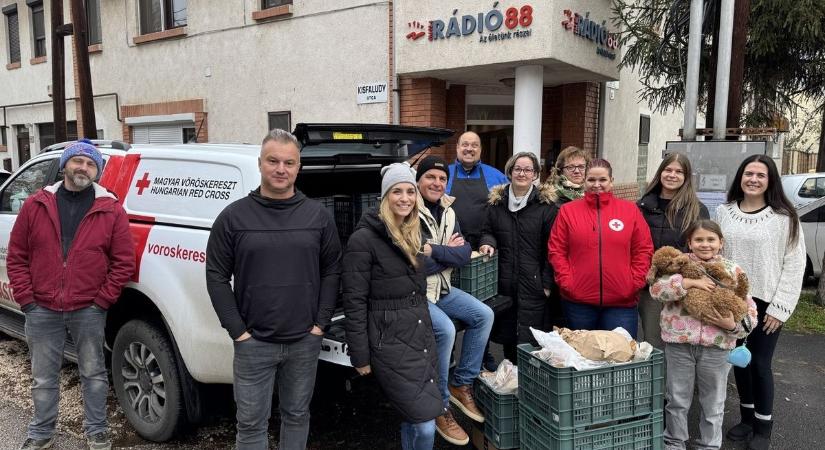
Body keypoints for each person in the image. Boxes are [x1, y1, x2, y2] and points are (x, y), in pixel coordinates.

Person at [206, 129, 342, 450]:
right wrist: (238, 332)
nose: (281, 169)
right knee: (251, 425)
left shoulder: (318, 217)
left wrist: (319, 325)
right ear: (260, 164)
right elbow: (216, 277)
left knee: (296, 415)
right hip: (254, 344)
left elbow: (333, 270)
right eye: (273, 161)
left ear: (298, 168)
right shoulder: (233, 218)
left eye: (289, 162)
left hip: (303, 343)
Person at [8, 139, 135, 450]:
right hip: (42, 308)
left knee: (93, 374)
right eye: (78, 161)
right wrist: (27, 300)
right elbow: (16, 255)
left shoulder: (110, 209)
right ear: (65, 165)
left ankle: (97, 432)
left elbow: (123, 261)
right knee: (43, 378)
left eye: (91, 164)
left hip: (88, 309)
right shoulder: (36, 205)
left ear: (97, 172)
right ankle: (41, 434)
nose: (84, 167)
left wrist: (102, 300)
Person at [344, 163, 442, 450]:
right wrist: (360, 356)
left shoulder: (413, 233)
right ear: (385, 197)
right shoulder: (363, 240)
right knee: (424, 424)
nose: (405, 198)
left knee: (414, 417)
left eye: (410, 192)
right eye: (397, 191)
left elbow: (418, 293)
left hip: (419, 338)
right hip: (390, 343)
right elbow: (355, 300)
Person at [716, 155, 805, 450]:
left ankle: (763, 427)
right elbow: (713, 254)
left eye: (761, 175)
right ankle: (746, 418)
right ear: (740, 177)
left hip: (767, 303)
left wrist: (781, 308)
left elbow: (794, 264)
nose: (753, 179)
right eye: (748, 173)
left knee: (761, 364)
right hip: (732, 302)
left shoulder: (784, 218)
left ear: (770, 181)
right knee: (740, 360)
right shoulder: (723, 212)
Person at [649, 220, 757, 450]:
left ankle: (709, 445)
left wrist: (731, 326)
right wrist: (688, 282)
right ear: (689, 242)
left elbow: (749, 311)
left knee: (714, 402)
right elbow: (656, 291)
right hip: (679, 344)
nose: (705, 244)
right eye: (699, 239)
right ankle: (674, 442)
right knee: (677, 399)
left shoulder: (733, 270)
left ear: (721, 243)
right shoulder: (677, 266)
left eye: (711, 239)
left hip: (718, 347)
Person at [415, 155, 494, 445]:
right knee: (446, 329)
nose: (436, 183)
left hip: (442, 287)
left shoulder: (448, 210)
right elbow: (413, 266)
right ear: (419, 181)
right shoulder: (409, 209)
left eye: (441, 178)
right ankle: (440, 403)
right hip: (416, 292)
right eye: (430, 177)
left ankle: (462, 383)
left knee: (483, 315)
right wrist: (445, 253)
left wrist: (434, 251)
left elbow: (463, 253)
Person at [548, 158, 653, 337]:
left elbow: (643, 249)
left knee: (621, 359)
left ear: (611, 181)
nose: (597, 185)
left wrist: (633, 283)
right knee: (581, 359)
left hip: (621, 303)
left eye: (602, 180)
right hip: (578, 302)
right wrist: (568, 283)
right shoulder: (568, 211)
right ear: (584, 181)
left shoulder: (630, 211)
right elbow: (557, 250)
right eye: (591, 180)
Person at [479, 152, 559, 362]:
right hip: (503, 281)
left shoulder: (546, 207)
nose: (522, 173)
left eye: (528, 170)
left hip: (534, 282)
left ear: (535, 175)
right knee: (507, 336)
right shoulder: (496, 204)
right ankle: (509, 381)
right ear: (510, 172)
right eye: (518, 169)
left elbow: (553, 248)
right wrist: (487, 242)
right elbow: (488, 231)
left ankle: (528, 386)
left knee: (532, 340)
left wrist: (547, 283)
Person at [637, 153, 709, 349]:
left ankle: (676, 381)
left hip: (681, 287)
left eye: (679, 172)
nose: (672, 175)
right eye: (668, 170)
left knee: (679, 344)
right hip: (649, 288)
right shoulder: (642, 206)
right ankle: (655, 380)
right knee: (652, 342)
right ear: (660, 173)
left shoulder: (697, 209)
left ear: (686, 177)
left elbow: (702, 250)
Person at [446, 131, 508, 249]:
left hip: (486, 246)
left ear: (480, 149)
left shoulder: (497, 176)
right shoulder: (444, 175)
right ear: (457, 147)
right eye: (465, 144)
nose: (469, 149)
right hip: (451, 245)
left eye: (474, 145)